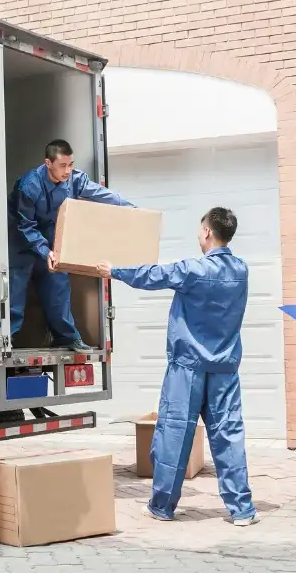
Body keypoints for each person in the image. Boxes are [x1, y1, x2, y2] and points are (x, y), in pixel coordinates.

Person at [95, 207, 258, 526]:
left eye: (200, 229)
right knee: (228, 435)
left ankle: (162, 506)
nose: (199, 235)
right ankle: (243, 509)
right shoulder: (241, 270)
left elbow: (153, 276)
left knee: (174, 435)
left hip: (188, 368)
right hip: (224, 368)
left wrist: (114, 271)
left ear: (208, 232)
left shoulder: (193, 270)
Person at [9, 139, 132, 351]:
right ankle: (7, 338)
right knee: (15, 290)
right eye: (63, 166)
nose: (68, 171)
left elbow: (102, 194)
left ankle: (66, 337)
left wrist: (131, 208)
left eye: (71, 164)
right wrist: (44, 250)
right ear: (48, 163)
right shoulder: (30, 185)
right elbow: (25, 225)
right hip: (22, 240)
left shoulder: (75, 180)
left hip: (50, 236)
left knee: (58, 286)